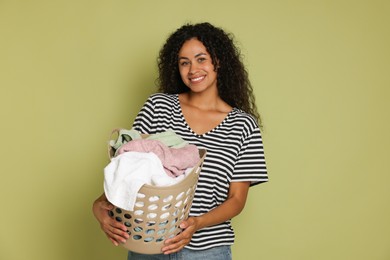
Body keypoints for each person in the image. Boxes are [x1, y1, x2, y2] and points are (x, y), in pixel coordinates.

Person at [92, 22, 268, 260]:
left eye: (201, 59)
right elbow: (129, 167)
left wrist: (196, 223)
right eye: (184, 62)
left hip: (208, 251)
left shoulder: (243, 125)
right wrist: (100, 208)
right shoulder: (158, 107)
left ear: (219, 61)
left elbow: (237, 199)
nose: (193, 69)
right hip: (149, 245)